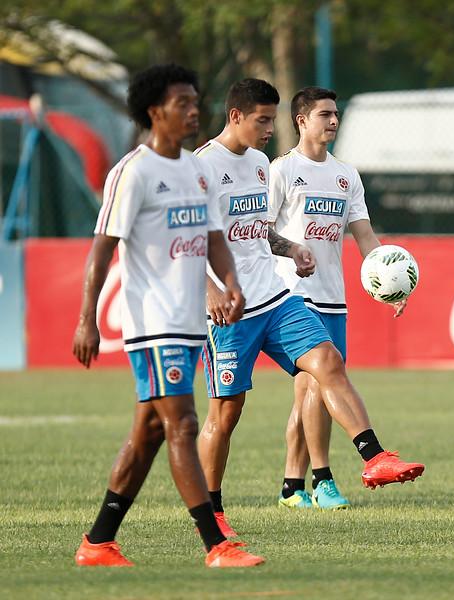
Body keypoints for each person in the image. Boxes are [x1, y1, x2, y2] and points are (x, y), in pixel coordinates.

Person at [195, 80, 424, 534]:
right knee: (226, 413)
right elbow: (182, 240)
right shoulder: (202, 167)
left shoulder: (258, 163)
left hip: (275, 296)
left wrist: (291, 247)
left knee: (328, 362)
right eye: (262, 120)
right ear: (236, 116)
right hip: (229, 310)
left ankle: (374, 457)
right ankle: (211, 511)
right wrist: (209, 291)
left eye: (271, 119)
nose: (270, 129)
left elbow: (258, 230)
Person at [71, 64, 264, 568]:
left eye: (196, 101)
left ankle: (98, 542)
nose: (194, 110)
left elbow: (215, 237)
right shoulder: (134, 172)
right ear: (155, 112)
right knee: (182, 425)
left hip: (189, 322)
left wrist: (232, 283)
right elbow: (102, 249)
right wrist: (87, 318)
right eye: (183, 103)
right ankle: (216, 544)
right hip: (153, 323)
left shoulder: (196, 170)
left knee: (150, 434)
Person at [268, 86, 407, 511]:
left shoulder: (347, 175)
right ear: (301, 120)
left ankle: (292, 486)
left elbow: (364, 235)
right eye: (324, 114)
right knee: (316, 383)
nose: (333, 120)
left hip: (333, 297)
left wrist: (390, 283)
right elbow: (261, 231)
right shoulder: (282, 170)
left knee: (309, 392)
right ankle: (324, 480)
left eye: (335, 114)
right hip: (293, 294)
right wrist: (292, 252)